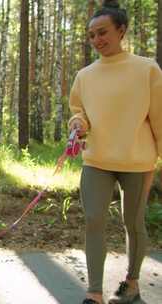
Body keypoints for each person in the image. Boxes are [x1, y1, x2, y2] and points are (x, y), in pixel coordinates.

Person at [68, 1, 161, 303]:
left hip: (137, 161)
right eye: (92, 35)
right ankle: (94, 292)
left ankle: (132, 284)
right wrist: (78, 124)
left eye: (103, 32)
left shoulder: (147, 69)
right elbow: (78, 112)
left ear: (121, 30)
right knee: (94, 219)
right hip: (97, 160)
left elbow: (159, 117)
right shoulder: (85, 75)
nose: (97, 40)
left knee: (133, 223)